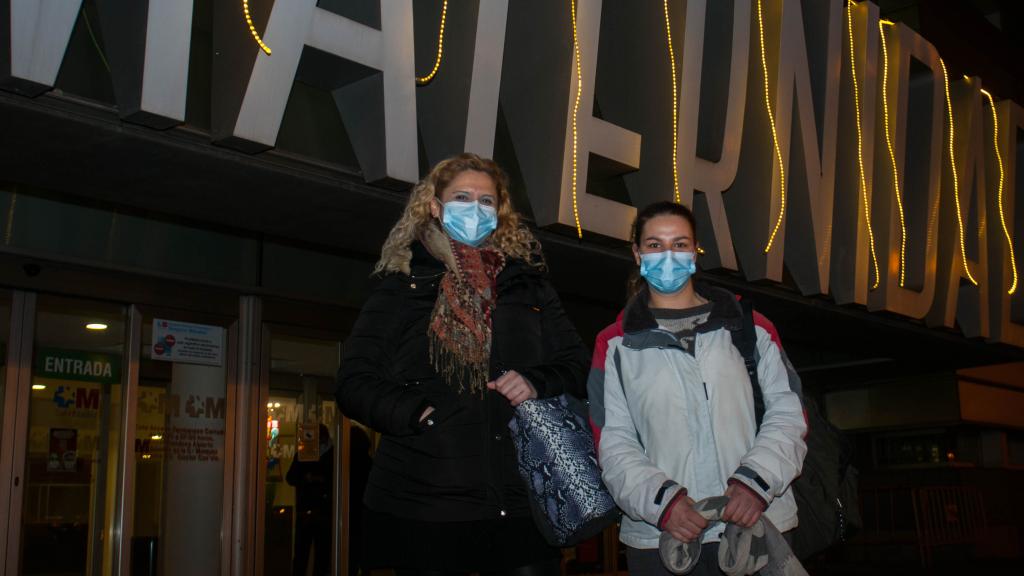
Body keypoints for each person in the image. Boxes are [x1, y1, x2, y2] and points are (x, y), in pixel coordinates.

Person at [335, 153, 589, 575]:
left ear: (500, 211)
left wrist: (535, 380)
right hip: (429, 506)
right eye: (462, 197)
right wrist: (420, 415)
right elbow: (354, 381)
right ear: (435, 206)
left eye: (486, 201)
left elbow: (578, 364)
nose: (475, 209)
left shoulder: (527, 284)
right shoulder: (404, 283)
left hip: (522, 502)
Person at [587, 201, 807, 576]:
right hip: (661, 539)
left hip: (757, 525)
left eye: (679, 243)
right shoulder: (614, 345)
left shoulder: (750, 326)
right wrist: (665, 504)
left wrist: (754, 485)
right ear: (637, 254)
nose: (667, 255)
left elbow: (789, 415)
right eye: (655, 245)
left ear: (694, 252)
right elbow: (612, 443)